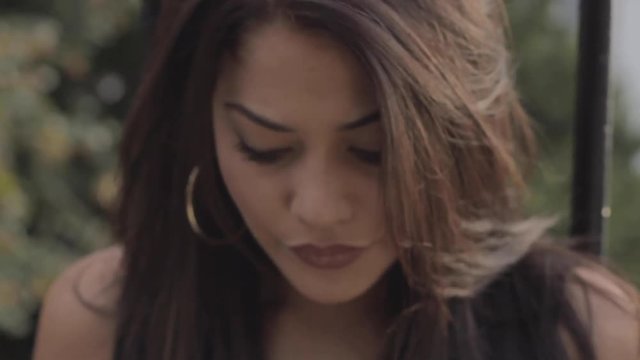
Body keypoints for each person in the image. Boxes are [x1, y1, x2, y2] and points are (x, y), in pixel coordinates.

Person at [32, 0, 640, 359]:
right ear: (202, 122)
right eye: (265, 149)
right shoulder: (102, 324)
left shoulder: (585, 336)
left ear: (456, 135)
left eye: (373, 152)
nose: (320, 208)